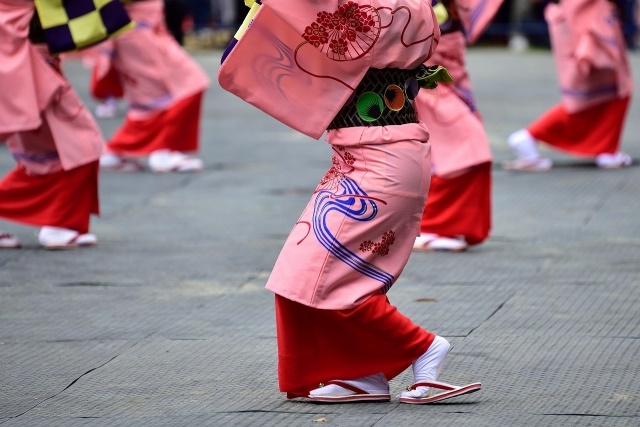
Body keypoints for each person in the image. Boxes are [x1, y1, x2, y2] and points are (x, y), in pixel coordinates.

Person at [219, 0, 481, 403]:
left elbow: (260, 39)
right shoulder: (412, 6)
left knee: (323, 275)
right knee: (300, 273)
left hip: (380, 161)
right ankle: (362, 373)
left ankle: (422, 346)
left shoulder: (363, 11)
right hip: (379, 156)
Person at [0, 0, 110, 249]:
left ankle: (62, 223)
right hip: (27, 61)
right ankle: (59, 224)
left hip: (27, 57)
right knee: (80, 143)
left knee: (52, 152)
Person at [412, 0, 503, 252]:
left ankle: (446, 225)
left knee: (466, 153)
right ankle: (430, 226)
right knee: (465, 151)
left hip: (446, 79)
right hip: (422, 80)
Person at [504, 0, 633, 171]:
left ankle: (606, 149)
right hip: (585, 25)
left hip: (580, 23)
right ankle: (528, 136)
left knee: (598, 97)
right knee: (593, 98)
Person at [95, 0, 210, 173]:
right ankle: (163, 150)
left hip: (143, 28)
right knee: (183, 86)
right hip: (137, 30)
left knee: (151, 100)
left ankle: (117, 150)